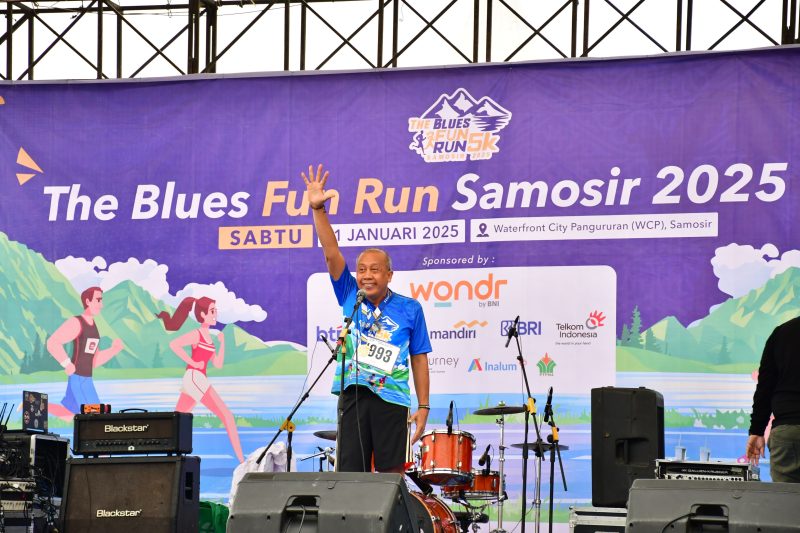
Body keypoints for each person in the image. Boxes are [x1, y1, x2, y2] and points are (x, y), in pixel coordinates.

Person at [302, 163, 432, 473]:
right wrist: (318, 210)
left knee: (391, 478)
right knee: (350, 477)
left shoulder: (410, 308)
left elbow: (419, 358)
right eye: (361, 269)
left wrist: (424, 406)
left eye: (375, 270)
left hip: (393, 399)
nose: (367, 275)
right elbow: (331, 253)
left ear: (389, 274)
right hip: (354, 396)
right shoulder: (350, 294)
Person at [157, 296, 244, 463]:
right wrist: (193, 362)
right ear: (203, 315)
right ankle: (242, 461)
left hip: (197, 378)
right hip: (194, 377)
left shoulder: (209, 338)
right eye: (212, 311)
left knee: (177, 420)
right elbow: (174, 344)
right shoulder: (197, 334)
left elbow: (217, 364)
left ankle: (166, 459)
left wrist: (222, 343)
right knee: (227, 416)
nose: (215, 314)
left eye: (215, 310)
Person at [46, 286, 124, 419]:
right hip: (78, 379)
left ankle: (32, 405)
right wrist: (67, 364)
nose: (101, 305)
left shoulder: (94, 326)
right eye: (98, 300)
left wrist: (114, 350)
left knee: (68, 414)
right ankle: (32, 405)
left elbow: (94, 361)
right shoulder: (76, 322)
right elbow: (52, 342)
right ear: (88, 301)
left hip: (86, 379)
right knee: (95, 417)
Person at [746, 317, 800, 482]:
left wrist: (757, 430)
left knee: (785, 498)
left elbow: (765, 386)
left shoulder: (783, 332)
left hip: (788, 433)